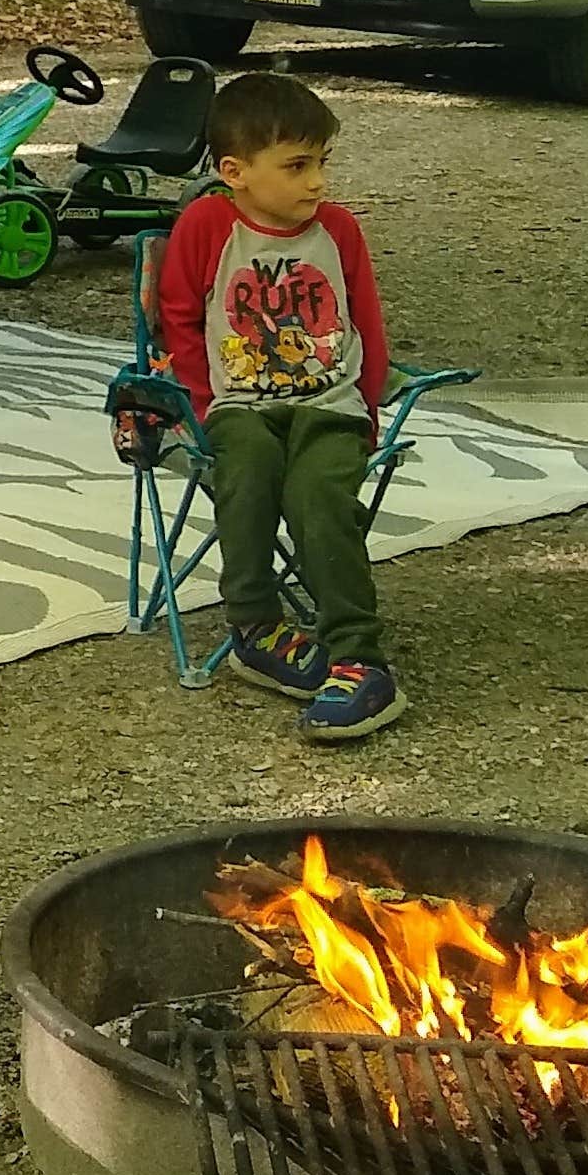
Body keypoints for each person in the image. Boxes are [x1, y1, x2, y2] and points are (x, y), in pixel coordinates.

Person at [152, 71, 405, 742]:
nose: (317, 182)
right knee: (248, 473)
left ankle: (359, 659)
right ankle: (257, 628)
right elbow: (177, 318)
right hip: (239, 405)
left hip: (331, 402)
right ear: (234, 171)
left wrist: (369, 408)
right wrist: (205, 405)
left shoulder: (340, 231)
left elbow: (367, 324)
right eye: (297, 166)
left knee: (319, 495)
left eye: (322, 163)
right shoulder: (207, 226)